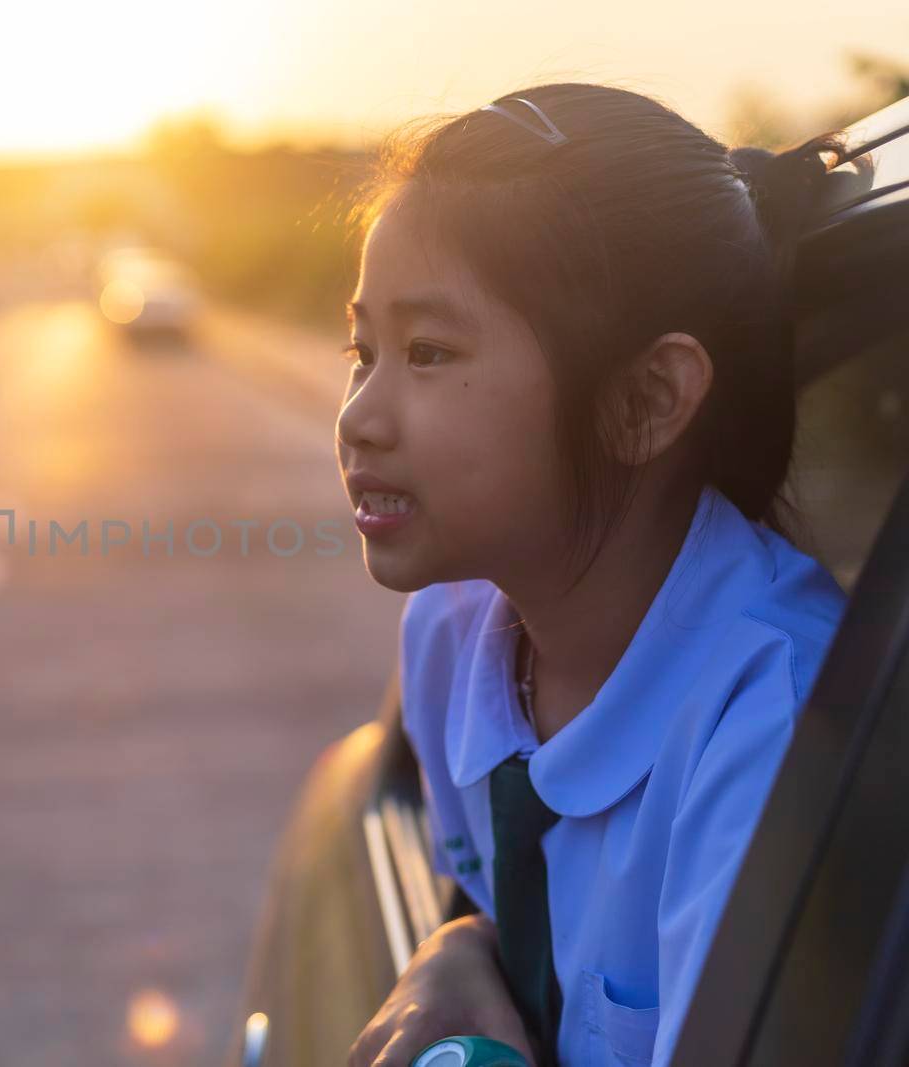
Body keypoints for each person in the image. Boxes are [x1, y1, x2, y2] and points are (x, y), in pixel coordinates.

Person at [335, 83, 854, 1066]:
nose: (359, 414)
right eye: (361, 351)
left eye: (428, 350)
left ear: (647, 400)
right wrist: (455, 947)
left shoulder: (769, 735)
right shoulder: (450, 634)